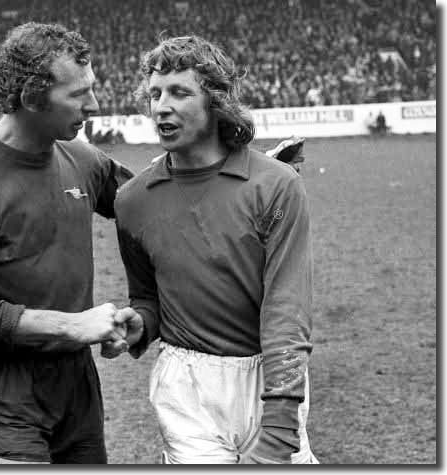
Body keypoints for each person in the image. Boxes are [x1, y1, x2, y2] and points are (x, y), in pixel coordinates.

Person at [0, 22, 142, 464]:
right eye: (78, 94)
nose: (94, 105)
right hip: (4, 392)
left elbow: (151, 208)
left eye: (91, 89)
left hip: (76, 384)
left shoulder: (84, 159)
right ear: (30, 98)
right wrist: (72, 325)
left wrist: (250, 182)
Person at [107, 35, 319, 464]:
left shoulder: (275, 185)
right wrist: (140, 324)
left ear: (216, 101)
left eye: (179, 92)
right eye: (154, 94)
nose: (160, 106)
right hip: (185, 384)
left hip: (268, 375)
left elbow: (287, 309)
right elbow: (148, 296)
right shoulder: (132, 200)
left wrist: (279, 425)